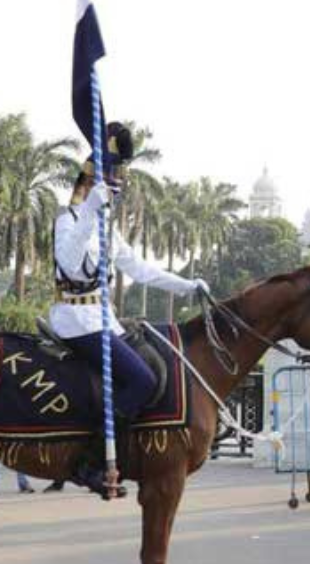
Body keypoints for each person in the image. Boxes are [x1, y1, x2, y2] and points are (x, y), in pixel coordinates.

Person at [50, 122, 208, 497]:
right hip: (75, 319)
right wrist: (89, 209)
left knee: (153, 363)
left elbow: (139, 268)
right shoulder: (68, 219)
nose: (115, 193)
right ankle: (89, 460)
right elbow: (70, 264)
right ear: (89, 184)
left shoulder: (106, 228)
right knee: (142, 380)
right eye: (110, 185)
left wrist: (188, 286)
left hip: (103, 319)